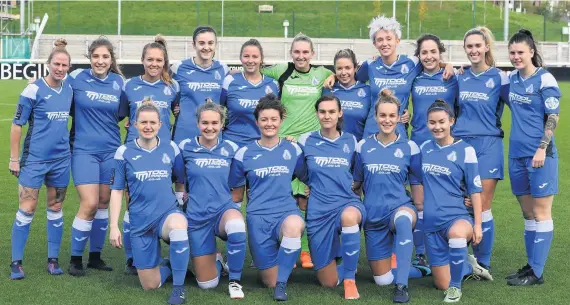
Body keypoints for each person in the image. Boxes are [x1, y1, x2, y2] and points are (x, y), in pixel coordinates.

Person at [261, 33, 334, 268]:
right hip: (283, 142)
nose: (301, 56)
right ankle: (284, 246)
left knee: (305, 200)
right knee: (283, 197)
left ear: (312, 54)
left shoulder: (322, 73)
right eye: (297, 52)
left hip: (309, 145)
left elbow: (341, 75)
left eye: (305, 52)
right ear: (291, 53)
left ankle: (305, 251)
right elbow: (256, 68)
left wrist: (332, 75)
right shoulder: (282, 70)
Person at [109, 100, 189, 305]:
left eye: (153, 122)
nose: (148, 126)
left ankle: (179, 289)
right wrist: (113, 227)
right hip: (141, 222)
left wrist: (181, 207)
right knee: (149, 285)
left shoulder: (171, 148)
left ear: (160, 125)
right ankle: (171, 266)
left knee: (178, 227)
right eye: (143, 122)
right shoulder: (123, 152)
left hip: (167, 215)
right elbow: (117, 190)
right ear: (134, 124)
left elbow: (180, 180)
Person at [324, 15, 453, 138]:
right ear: (374, 43)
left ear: (397, 40)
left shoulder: (411, 63)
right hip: (372, 130)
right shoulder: (370, 65)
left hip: (398, 129)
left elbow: (430, 61)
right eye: (380, 40)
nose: (384, 43)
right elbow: (351, 77)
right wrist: (334, 76)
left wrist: (446, 65)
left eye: (389, 38)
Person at [229, 94, 305, 301]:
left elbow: (309, 177)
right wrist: (233, 226)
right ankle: (276, 269)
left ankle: (282, 285)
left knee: (294, 226)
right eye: (264, 119)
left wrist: (305, 194)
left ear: (281, 121)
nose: (269, 123)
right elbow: (236, 193)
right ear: (257, 122)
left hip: (285, 212)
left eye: (274, 119)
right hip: (258, 218)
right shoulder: (244, 153)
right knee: (268, 280)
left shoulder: (293, 149)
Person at [352, 89, 424, 303]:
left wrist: (419, 210)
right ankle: (420, 269)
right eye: (383, 115)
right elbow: (356, 183)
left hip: (399, 208)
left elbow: (417, 181)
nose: (387, 120)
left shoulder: (410, 147)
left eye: (392, 115)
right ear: (375, 117)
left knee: (403, 220)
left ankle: (402, 287)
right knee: (382, 279)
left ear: (399, 116)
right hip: (374, 218)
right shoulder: (363, 146)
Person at [9, 39, 73, 279]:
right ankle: (16, 262)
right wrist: (14, 159)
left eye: (64, 65)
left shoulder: (69, 88)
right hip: (34, 160)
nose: (60, 68)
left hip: (60, 160)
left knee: (56, 206)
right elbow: (17, 126)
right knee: (27, 207)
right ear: (48, 64)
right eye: (56, 63)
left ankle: (53, 260)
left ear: (68, 67)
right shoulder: (33, 89)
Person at [67, 37, 127, 276]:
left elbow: (123, 113)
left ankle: (95, 257)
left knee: (103, 202)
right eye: (96, 56)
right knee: (89, 203)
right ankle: (74, 259)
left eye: (105, 57)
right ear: (89, 57)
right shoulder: (77, 78)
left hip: (111, 151)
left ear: (111, 59)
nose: (100, 61)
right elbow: (60, 93)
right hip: (83, 151)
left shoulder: (119, 82)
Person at [120, 35, 180, 274]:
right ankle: (132, 257)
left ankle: (159, 251)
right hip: (135, 153)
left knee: (162, 203)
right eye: (149, 59)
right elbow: (123, 115)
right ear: (142, 60)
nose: (154, 64)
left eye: (159, 60)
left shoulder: (172, 87)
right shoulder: (130, 85)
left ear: (164, 62)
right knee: (133, 204)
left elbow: (179, 112)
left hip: (164, 154)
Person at [505, 29, 560, 286]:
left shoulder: (545, 79)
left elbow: (553, 117)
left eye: (520, 52)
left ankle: (537, 273)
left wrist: (542, 147)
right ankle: (530, 266)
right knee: (527, 213)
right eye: (512, 52)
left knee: (541, 213)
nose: (516, 57)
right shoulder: (511, 80)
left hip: (540, 155)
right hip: (516, 155)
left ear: (531, 52)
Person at [297, 95, 365, 300]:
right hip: (318, 209)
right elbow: (301, 172)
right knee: (327, 282)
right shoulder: (305, 140)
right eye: (323, 112)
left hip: (346, 202)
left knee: (350, 217)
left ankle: (350, 280)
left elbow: (357, 173)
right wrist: (311, 189)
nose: (327, 116)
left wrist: (351, 188)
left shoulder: (351, 141)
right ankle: (341, 260)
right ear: (317, 113)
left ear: (340, 113)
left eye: (332, 112)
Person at [175, 102, 246, 299]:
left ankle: (235, 281)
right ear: (198, 124)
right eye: (205, 122)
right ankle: (218, 262)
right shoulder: (184, 147)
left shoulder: (232, 148)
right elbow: (180, 181)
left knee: (236, 225)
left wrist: (234, 207)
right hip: (197, 217)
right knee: (207, 284)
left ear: (222, 124)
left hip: (222, 211)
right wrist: (181, 204)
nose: (210, 127)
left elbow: (238, 184)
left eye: (215, 122)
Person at [454, 27, 509, 275]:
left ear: (486, 47)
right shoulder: (459, 77)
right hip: (462, 146)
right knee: (462, 202)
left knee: (482, 204)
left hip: (488, 146)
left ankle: (483, 261)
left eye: (478, 45)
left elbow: (521, 107)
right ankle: (464, 258)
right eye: (469, 46)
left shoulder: (500, 78)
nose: (474, 50)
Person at [421, 100, 487, 302]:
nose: (437, 126)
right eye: (432, 122)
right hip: (432, 223)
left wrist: (477, 225)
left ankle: (456, 288)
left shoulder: (465, 150)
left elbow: (475, 190)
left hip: (457, 217)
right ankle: (467, 265)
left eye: (441, 121)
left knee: (458, 235)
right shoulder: (423, 148)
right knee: (441, 282)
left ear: (451, 121)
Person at [409, 34, 459, 267]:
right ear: (418, 56)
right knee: (419, 203)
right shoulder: (414, 76)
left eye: (433, 52)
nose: (429, 56)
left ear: (440, 52)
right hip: (418, 145)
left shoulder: (451, 76)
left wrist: (449, 66)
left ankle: (448, 244)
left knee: (442, 200)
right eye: (424, 52)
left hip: (444, 149)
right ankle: (421, 252)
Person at [171, 26, 229, 143]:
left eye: (210, 43)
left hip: (213, 136)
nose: (206, 47)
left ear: (215, 45)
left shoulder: (223, 69)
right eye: (201, 43)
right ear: (194, 45)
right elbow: (164, 92)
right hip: (184, 135)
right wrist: (174, 107)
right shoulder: (179, 68)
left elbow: (227, 100)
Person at [221, 39, 279, 148]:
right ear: (240, 58)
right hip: (233, 144)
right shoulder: (229, 81)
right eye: (246, 56)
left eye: (255, 56)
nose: (250, 60)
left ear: (261, 59)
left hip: (262, 145)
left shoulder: (273, 85)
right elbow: (217, 107)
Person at [322, 49, 371, 142]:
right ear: (335, 69)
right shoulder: (327, 89)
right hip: (331, 148)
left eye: (348, 68)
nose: (343, 72)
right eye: (339, 68)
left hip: (357, 149)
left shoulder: (367, 91)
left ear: (355, 68)